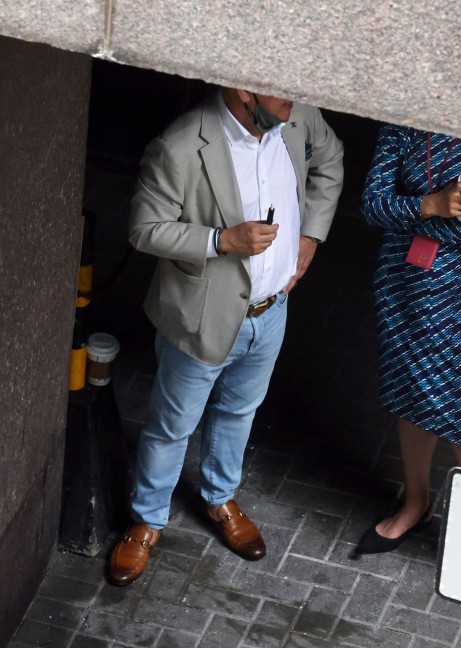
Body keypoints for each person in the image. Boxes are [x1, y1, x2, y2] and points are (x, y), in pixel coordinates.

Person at [107, 87, 344, 585]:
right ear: (243, 90)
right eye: (283, 91)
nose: (296, 100)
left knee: (239, 411)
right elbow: (145, 228)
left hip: (271, 309)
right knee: (172, 426)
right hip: (201, 315)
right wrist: (221, 241)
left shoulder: (298, 116)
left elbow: (331, 157)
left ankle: (218, 498)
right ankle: (146, 521)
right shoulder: (180, 144)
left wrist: (311, 235)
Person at [357, 125, 461, 553]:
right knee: (410, 401)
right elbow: (372, 206)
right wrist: (433, 204)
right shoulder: (404, 124)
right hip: (403, 290)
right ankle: (416, 504)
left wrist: (411, 214)